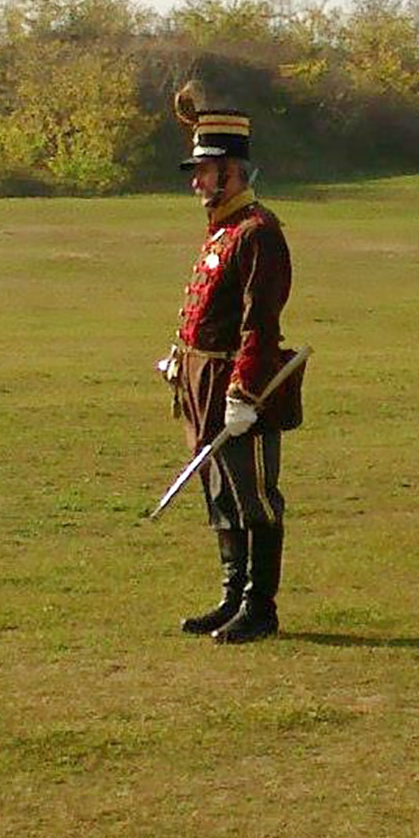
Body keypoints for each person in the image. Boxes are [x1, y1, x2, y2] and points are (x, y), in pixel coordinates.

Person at [163, 105, 298, 643]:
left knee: (254, 497)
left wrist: (243, 389)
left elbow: (258, 322)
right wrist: (182, 356)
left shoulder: (258, 232)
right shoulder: (223, 230)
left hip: (239, 385)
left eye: (204, 170)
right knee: (220, 494)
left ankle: (259, 606)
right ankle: (232, 595)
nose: (196, 181)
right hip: (202, 381)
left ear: (233, 171)